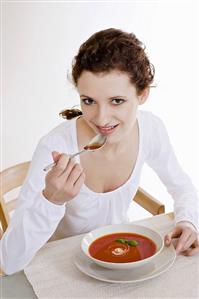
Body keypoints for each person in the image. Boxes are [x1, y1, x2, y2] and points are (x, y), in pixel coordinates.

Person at [1, 28, 198, 275]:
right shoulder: (55, 146)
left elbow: (182, 187)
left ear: (143, 94)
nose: (101, 118)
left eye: (117, 101)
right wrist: (50, 200)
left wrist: (188, 221)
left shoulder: (151, 130)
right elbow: (8, 261)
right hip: (60, 268)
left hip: (121, 260)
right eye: (88, 101)